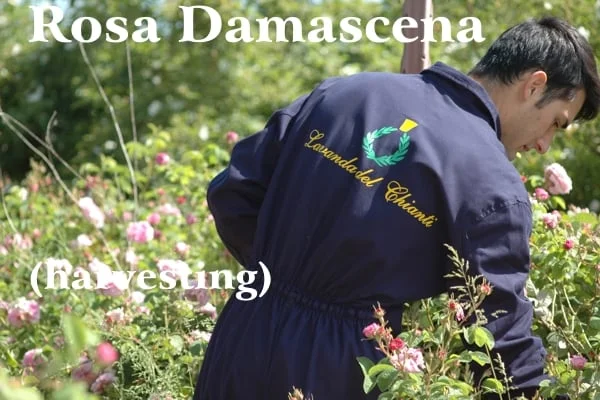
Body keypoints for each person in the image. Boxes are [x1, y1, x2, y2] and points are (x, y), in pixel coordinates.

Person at [193, 16, 600, 400]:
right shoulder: (493, 183)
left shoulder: (344, 92)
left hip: (244, 333)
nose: (545, 145)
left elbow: (234, 191)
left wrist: (282, 278)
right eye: (556, 123)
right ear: (534, 85)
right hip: (342, 366)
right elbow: (498, 337)